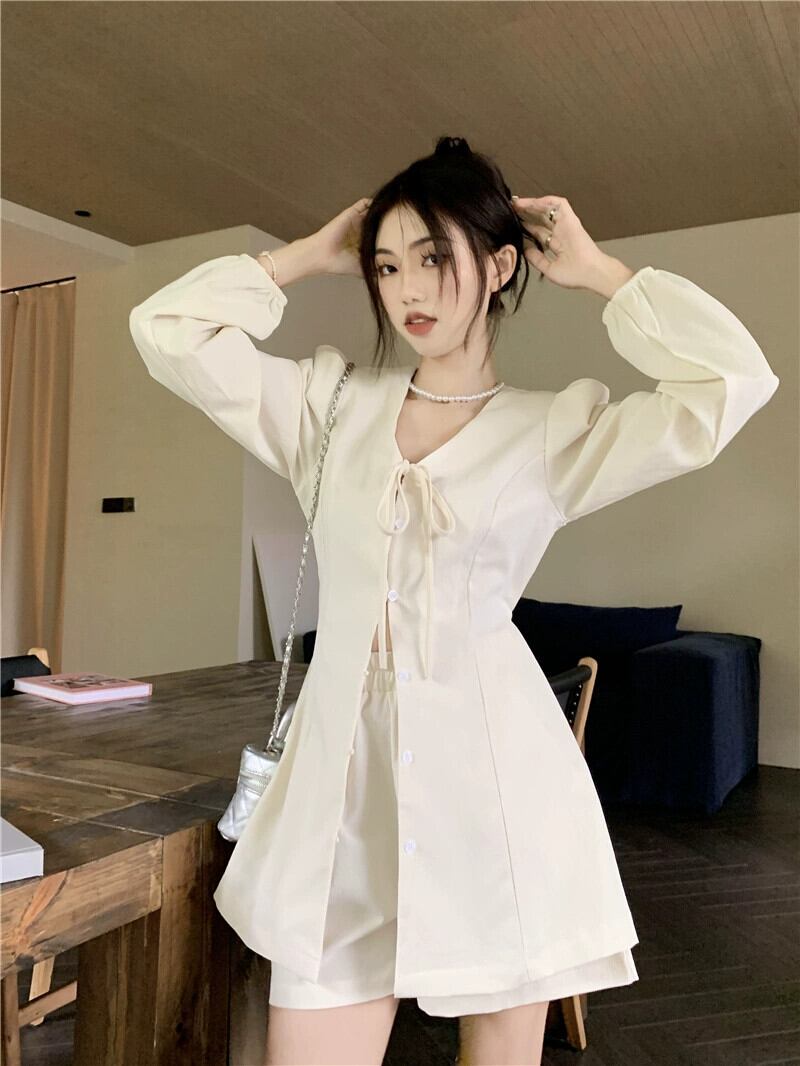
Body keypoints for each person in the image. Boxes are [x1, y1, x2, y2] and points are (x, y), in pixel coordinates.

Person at [128, 136, 780, 1066]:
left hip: (498, 792)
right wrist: (303, 256)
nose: (409, 289)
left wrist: (600, 274)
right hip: (338, 796)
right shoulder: (327, 408)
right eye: (388, 265)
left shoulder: (551, 429)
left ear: (501, 265)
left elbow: (732, 383)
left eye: (435, 258)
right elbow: (165, 331)